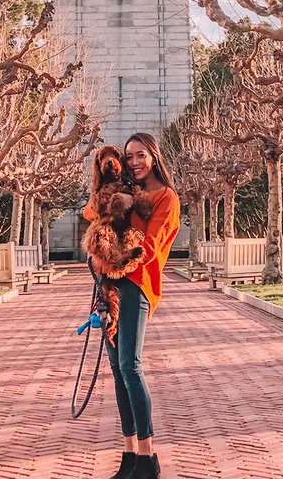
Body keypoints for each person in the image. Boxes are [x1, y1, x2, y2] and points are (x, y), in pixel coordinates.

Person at [84, 132, 180, 479]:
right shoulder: (127, 191)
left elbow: (151, 247)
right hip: (108, 285)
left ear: (154, 156)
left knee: (130, 367)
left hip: (137, 284)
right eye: (129, 156)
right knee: (117, 370)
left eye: (141, 155)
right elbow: (90, 211)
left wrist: (114, 262)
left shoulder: (165, 198)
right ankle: (128, 456)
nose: (135, 162)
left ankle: (147, 458)